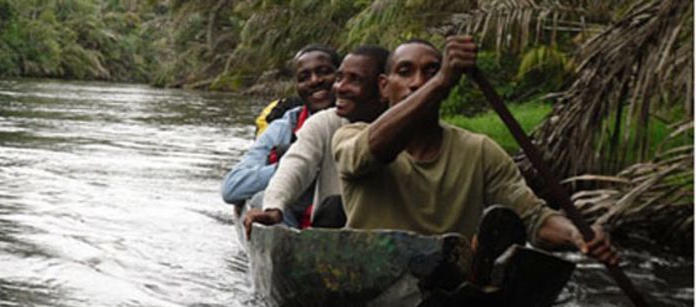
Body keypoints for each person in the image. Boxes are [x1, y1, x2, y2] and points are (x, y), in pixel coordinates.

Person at [332, 36, 619, 266]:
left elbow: (533, 218)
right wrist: (441, 81)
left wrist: (578, 235)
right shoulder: (351, 137)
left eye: (430, 72)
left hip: (449, 286)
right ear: (384, 86)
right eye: (405, 72)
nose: (418, 82)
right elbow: (369, 154)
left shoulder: (479, 150)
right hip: (373, 281)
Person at [243, 45, 390, 238]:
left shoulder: (408, 126)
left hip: (390, 230)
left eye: (354, 80)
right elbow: (296, 165)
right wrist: (274, 208)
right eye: (339, 79)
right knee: (331, 208)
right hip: (334, 231)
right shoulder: (323, 123)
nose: (339, 88)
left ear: (383, 86)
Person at [221, 45, 340, 227]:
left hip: (338, 217)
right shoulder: (284, 127)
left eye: (324, 72)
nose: (315, 81)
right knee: (262, 199)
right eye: (304, 77)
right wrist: (292, 168)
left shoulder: (362, 119)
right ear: (297, 86)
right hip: (292, 220)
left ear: (341, 77)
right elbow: (232, 187)